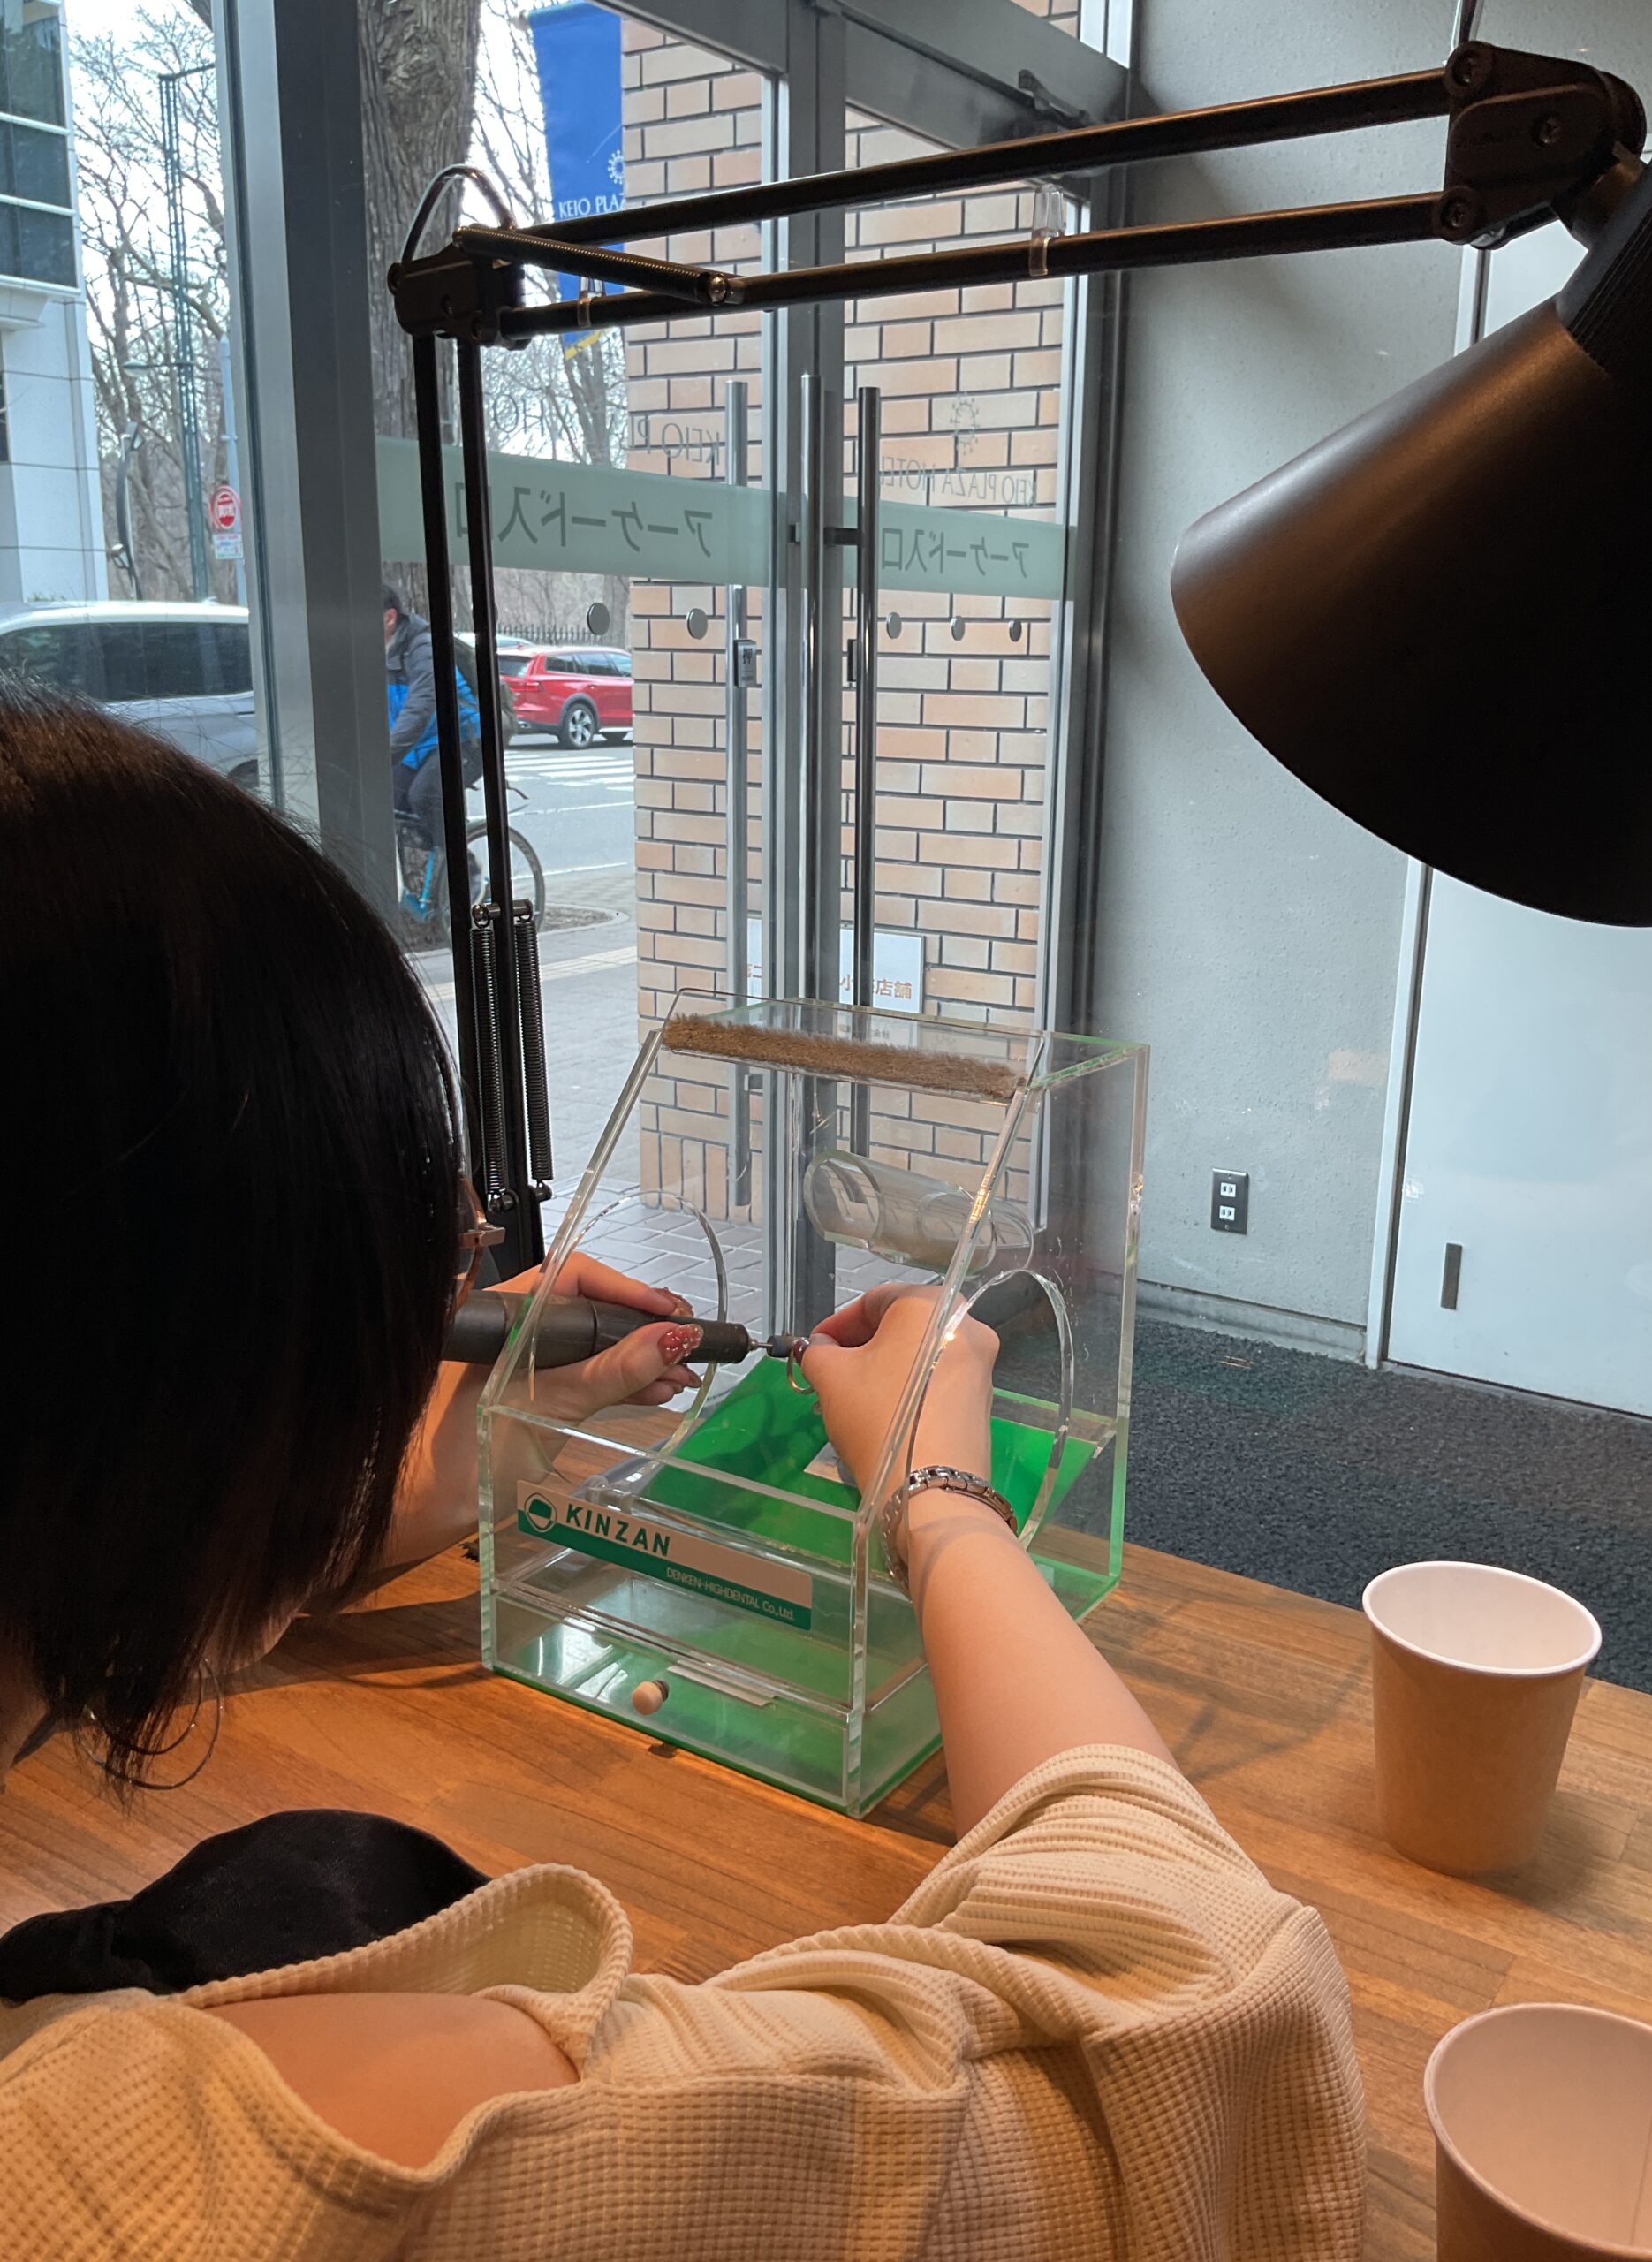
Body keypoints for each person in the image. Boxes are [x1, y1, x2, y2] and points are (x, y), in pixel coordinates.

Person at [0, 691, 1365, 2258]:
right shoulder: (176, 2172)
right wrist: (939, 1493)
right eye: (416, 1256)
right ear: (161, 1350)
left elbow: (108, 1556)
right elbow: (1207, 2039)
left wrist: (446, 1468)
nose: (456, 1283)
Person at [385, 581, 480, 866]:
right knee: (391, 797)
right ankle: (430, 879)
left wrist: (385, 755)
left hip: (465, 739)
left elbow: (420, 708)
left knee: (424, 794)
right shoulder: (380, 651)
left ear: (389, 618)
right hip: (423, 745)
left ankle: (465, 869)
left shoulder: (423, 649)